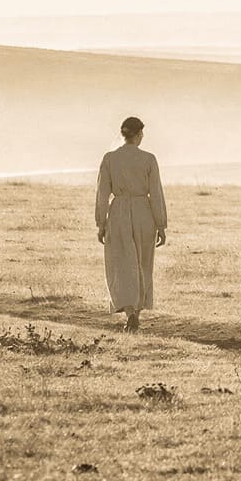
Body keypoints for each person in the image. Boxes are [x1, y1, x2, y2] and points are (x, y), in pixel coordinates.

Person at [96, 116, 167, 332]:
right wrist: (161, 225)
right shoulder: (149, 159)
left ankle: (129, 312)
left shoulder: (109, 158)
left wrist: (101, 223)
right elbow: (155, 193)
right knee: (143, 263)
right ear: (137, 135)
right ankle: (136, 312)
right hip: (144, 212)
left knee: (121, 264)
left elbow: (102, 194)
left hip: (118, 213)